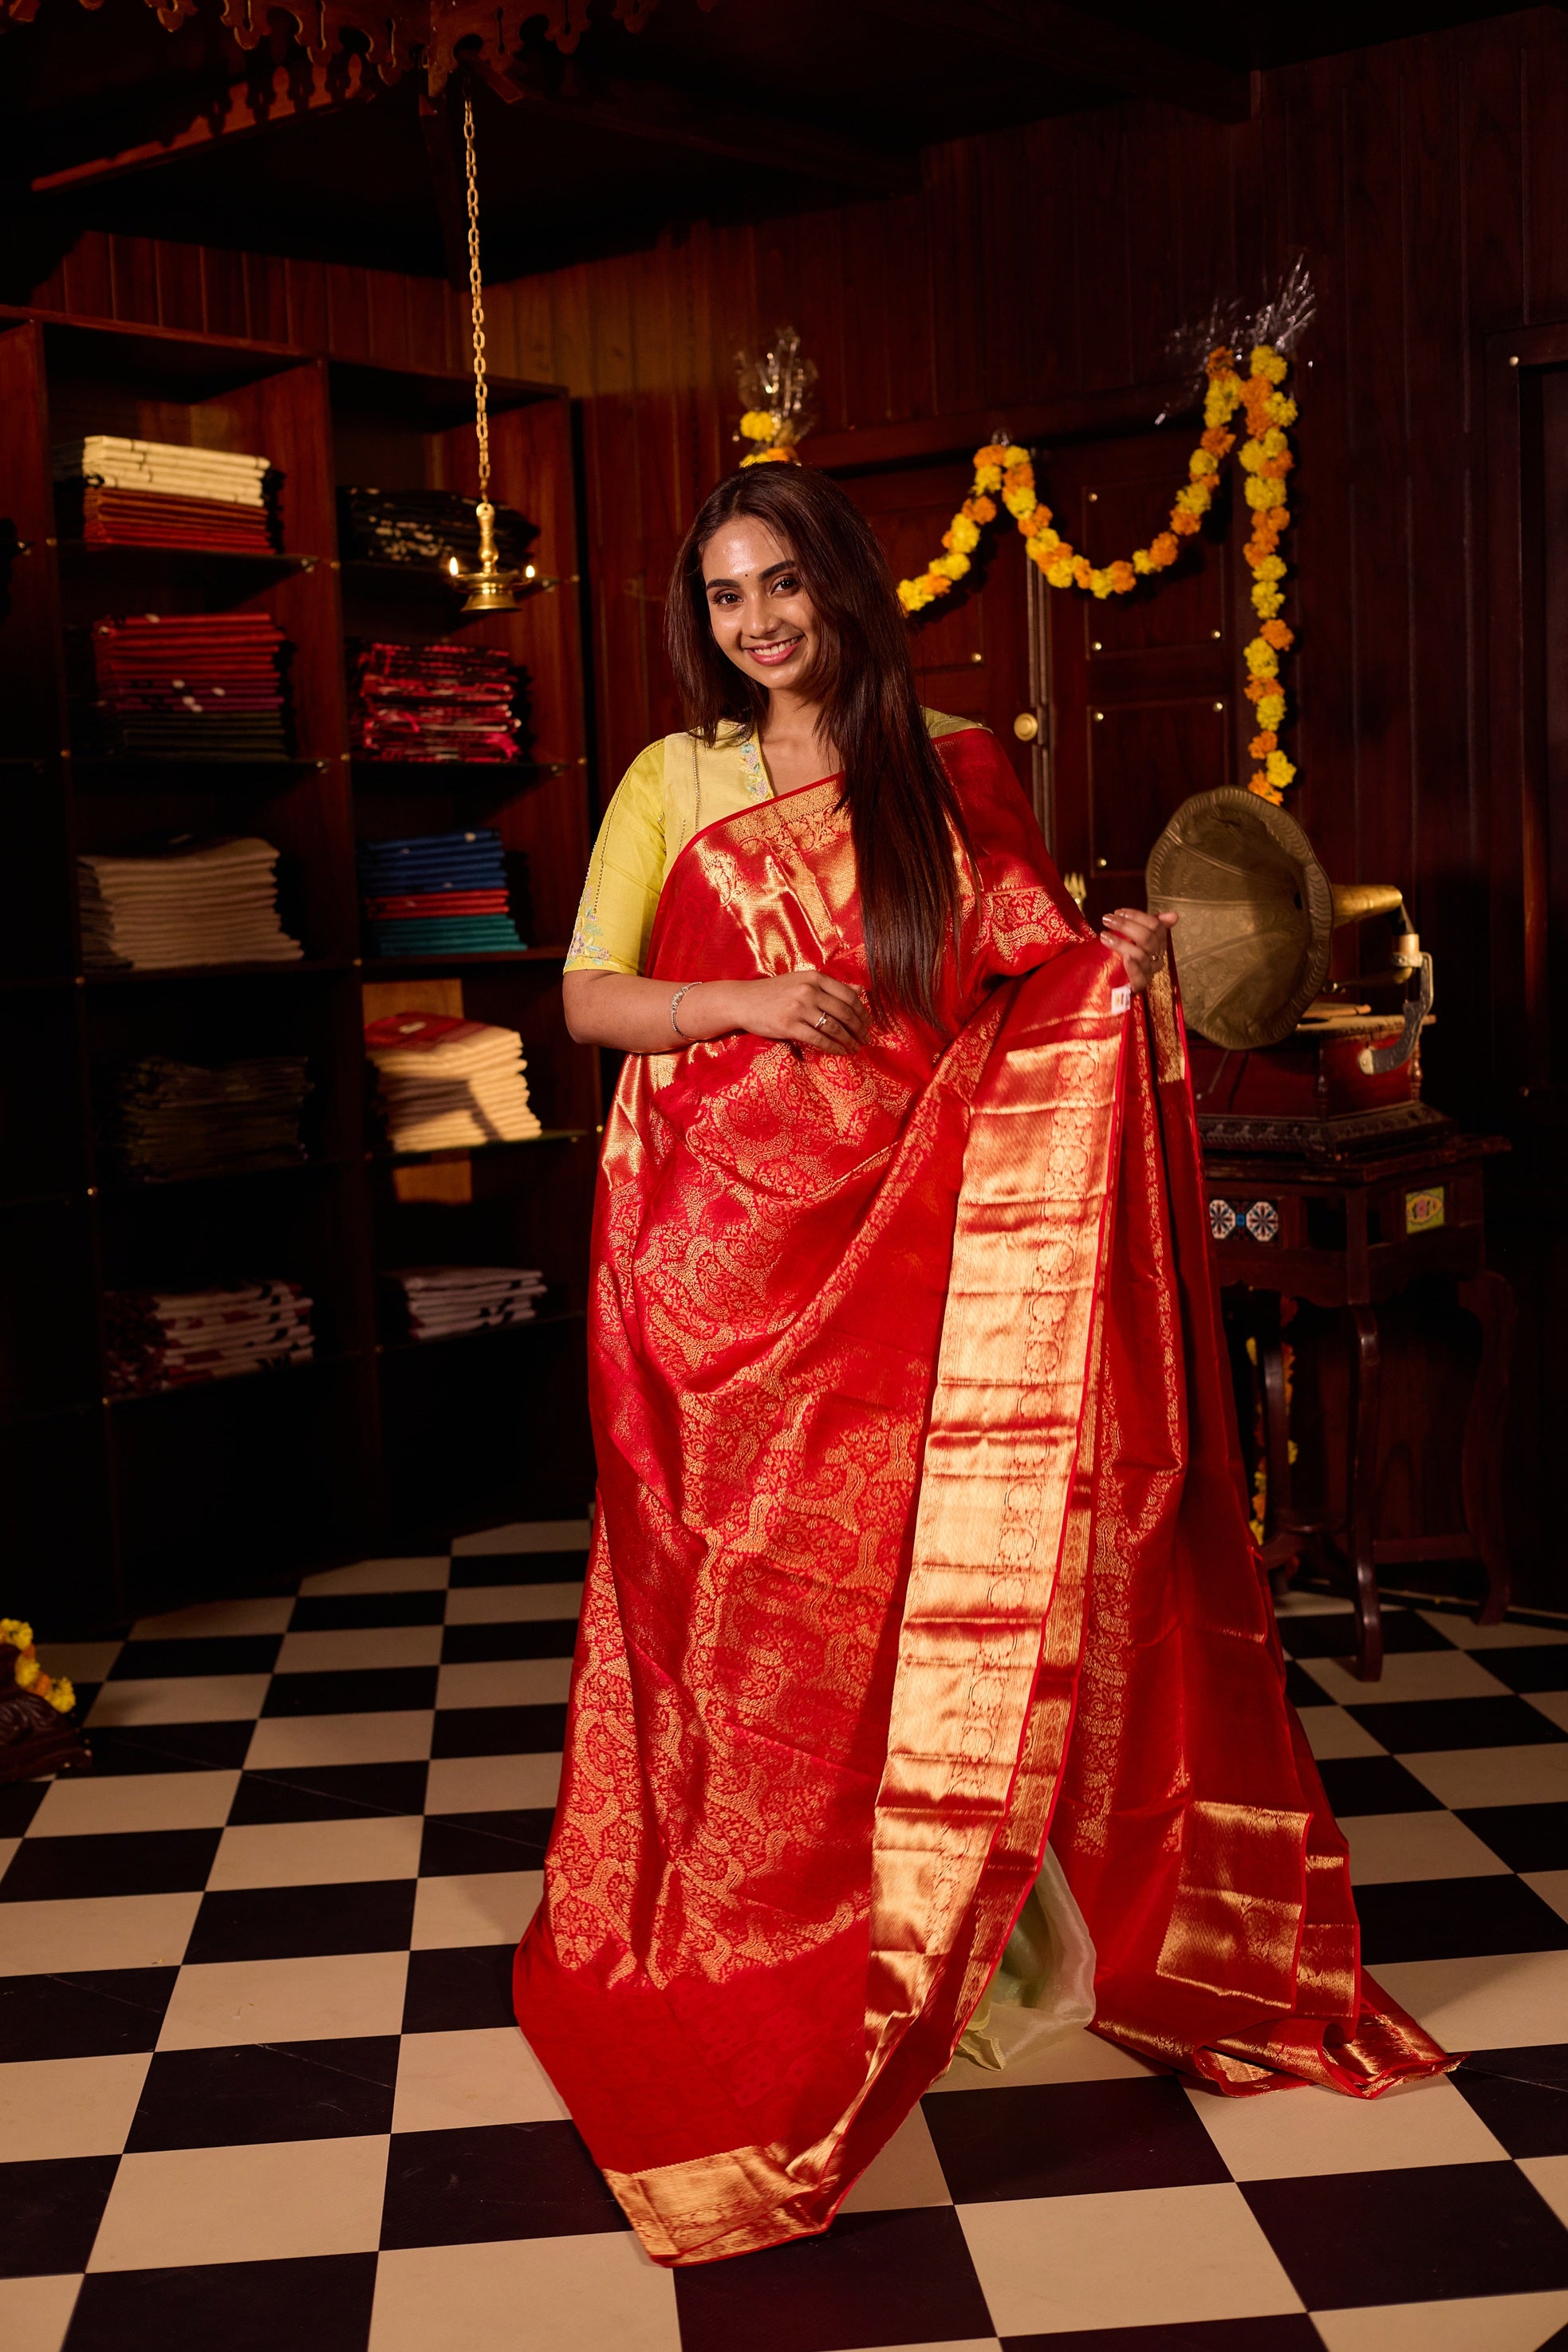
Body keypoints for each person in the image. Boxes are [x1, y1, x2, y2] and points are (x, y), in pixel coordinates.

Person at [513, 463, 1451, 2270]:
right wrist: (735, 1002)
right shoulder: (674, 777)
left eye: (782, 585)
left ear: (840, 586)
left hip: (913, 1246)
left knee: (913, 1590)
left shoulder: (945, 759)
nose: (757, 623)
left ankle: (962, 1923)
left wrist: (1118, 963)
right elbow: (586, 994)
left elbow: (1021, 982)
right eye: (724, 597)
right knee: (748, 1614)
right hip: (716, 1265)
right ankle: (767, 1922)